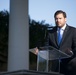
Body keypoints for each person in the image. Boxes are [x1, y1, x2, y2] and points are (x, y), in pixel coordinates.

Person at [44, 10, 76, 75]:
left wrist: (70, 53)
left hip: (70, 67)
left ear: (65, 19)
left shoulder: (73, 31)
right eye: (56, 19)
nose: (58, 20)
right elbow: (47, 47)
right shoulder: (50, 33)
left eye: (60, 18)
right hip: (55, 68)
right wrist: (40, 51)